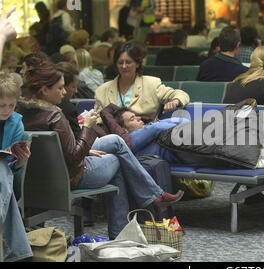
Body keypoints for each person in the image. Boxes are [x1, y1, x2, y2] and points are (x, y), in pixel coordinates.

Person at [16, 59, 184, 239]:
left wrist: (86, 147)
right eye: (60, 88)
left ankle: (152, 196)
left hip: (36, 177)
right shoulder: (55, 115)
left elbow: (58, 149)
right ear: (44, 90)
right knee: (119, 158)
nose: (65, 92)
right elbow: (73, 158)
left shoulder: (21, 110)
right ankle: (123, 231)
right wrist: (87, 128)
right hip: (71, 175)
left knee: (115, 141)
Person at [105, 107, 264, 190]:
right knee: (247, 143)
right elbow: (175, 124)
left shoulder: (143, 134)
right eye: (131, 119)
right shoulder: (130, 141)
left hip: (194, 147)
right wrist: (157, 125)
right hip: (184, 150)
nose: (138, 119)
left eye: (138, 116)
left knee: (254, 145)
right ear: (123, 128)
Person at [94, 41, 190, 122]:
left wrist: (175, 101)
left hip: (144, 133)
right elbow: (98, 120)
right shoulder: (102, 90)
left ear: (137, 64)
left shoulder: (151, 84)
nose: (123, 66)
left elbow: (182, 94)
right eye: (120, 63)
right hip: (112, 135)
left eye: (128, 62)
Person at [0, 71, 33, 262]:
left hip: (9, 176)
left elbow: (14, 168)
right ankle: (20, 254)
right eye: (2, 105)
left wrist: (21, 161)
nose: (6, 110)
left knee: (2, 167)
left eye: (11, 105)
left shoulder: (16, 124)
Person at [56, 61, 81, 138]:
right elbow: (78, 145)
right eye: (73, 86)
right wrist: (87, 126)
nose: (76, 91)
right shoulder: (68, 109)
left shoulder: (27, 108)